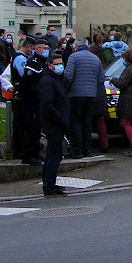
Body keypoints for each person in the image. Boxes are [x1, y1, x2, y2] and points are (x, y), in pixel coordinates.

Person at [63, 38, 105, 158]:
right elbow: (101, 79)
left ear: (76, 46)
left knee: (76, 122)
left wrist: (67, 88)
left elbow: (68, 76)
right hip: (91, 94)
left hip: (76, 94)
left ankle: (77, 150)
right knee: (87, 123)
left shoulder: (73, 57)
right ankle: (87, 149)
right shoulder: (95, 58)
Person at [39, 50, 71, 197]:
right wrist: (60, 119)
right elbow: (48, 106)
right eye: (57, 64)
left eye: (61, 64)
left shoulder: (55, 79)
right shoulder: (48, 81)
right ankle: (48, 186)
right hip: (54, 124)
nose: (60, 67)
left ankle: (50, 183)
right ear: (50, 65)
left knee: (55, 155)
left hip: (57, 123)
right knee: (53, 156)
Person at [4, 36, 36, 162]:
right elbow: (25, 77)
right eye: (32, 48)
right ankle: (19, 150)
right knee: (20, 124)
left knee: (20, 123)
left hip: (20, 93)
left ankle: (20, 148)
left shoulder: (17, 58)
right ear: (28, 47)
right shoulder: (20, 59)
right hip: (21, 95)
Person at [19, 38, 50, 165]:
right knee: (31, 129)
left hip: (39, 102)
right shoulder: (33, 63)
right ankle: (28, 155)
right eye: (45, 49)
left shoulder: (42, 63)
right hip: (32, 101)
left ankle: (35, 153)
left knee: (37, 129)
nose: (47, 51)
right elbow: (28, 83)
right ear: (37, 49)